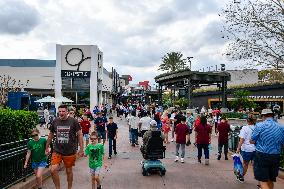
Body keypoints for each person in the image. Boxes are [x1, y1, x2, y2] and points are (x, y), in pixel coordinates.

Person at [45, 104, 84, 189]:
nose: (61, 113)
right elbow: (51, 135)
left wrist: (81, 149)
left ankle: (69, 187)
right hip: (57, 150)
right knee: (53, 169)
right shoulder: (55, 121)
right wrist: (46, 147)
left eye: (63, 111)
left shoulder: (73, 121)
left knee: (69, 171)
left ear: (67, 112)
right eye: (60, 111)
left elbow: (80, 135)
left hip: (69, 151)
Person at [250, 109, 284, 189]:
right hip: (275, 155)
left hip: (262, 155)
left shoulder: (259, 125)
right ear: (272, 115)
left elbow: (252, 140)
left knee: (263, 181)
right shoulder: (281, 127)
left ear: (263, 116)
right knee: (271, 180)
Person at [236, 115, 257, 183]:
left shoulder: (245, 128)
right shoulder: (257, 128)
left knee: (245, 164)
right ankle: (260, 181)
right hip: (256, 149)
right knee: (256, 165)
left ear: (247, 121)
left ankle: (241, 177)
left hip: (247, 149)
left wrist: (238, 148)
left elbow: (242, 139)